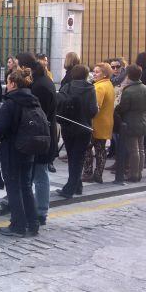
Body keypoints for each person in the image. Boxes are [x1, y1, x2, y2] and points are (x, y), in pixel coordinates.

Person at [0, 67, 40, 237]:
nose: (6, 85)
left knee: (13, 188)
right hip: (28, 149)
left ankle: (17, 225)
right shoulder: (33, 100)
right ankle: (33, 222)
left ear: (13, 83)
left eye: (7, 82)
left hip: (12, 151)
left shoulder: (10, 103)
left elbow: (0, 128)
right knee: (25, 187)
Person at [15, 52, 57, 225]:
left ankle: (41, 211)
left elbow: (37, 114)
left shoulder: (39, 85)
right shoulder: (42, 80)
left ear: (26, 67)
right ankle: (29, 206)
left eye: (18, 65)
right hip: (42, 133)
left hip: (40, 136)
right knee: (33, 174)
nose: (16, 68)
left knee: (40, 174)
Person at [56, 65, 98, 199]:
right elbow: (93, 111)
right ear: (86, 75)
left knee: (72, 157)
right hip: (84, 128)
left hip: (68, 126)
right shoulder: (90, 89)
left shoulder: (66, 87)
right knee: (78, 158)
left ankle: (73, 186)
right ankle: (74, 186)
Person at [114, 64, 146, 183]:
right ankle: (139, 173)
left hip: (130, 122)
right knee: (141, 149)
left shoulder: (128, 90)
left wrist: (116, 109)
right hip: (143, 121)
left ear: (129, 76)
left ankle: (133, 175)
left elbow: (124, 107)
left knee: (133, 150)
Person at [82, 63, 115, 184]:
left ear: (105, 74)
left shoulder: (99, 88)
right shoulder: (109, 84)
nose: (94, 74)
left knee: (87, 148)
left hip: (95, 124)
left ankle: (88, 173)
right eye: (94, 71)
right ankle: (98, 174)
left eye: (97, 72)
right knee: (100, 150)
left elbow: (95, 108)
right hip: (106, 122)